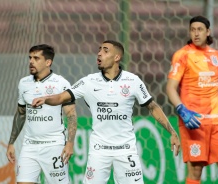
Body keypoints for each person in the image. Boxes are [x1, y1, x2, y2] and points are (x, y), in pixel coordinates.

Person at [32, 40, 181, 184]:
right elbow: (60, 97)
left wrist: (172, 132)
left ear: (117, 57)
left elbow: (152, 107)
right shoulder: (89, 81)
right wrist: (46, 98)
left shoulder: (133, 81)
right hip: (99, 151)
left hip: (125, 150)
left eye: (105, 50)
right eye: (99, 50)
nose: (99, 54)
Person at [166, 15, 218, 184]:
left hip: (217, 119)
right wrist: (182, 110)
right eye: (192, 30)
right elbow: (170, 88)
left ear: (208, 32)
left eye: (199, 29)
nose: (196, 33)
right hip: (194, 120)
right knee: (196, 169)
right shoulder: (182, 55)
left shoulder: (217, 56)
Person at [6, 44, 77, 184]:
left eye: (36, 58)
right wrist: (11, 142)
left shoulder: (61, 83)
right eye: (30, 58)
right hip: (29, 146)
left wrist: (70, 143)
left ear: (48, 62)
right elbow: (21, 113)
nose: (31, 61)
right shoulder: (24, 83)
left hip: (54, 146)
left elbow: (71, 115)